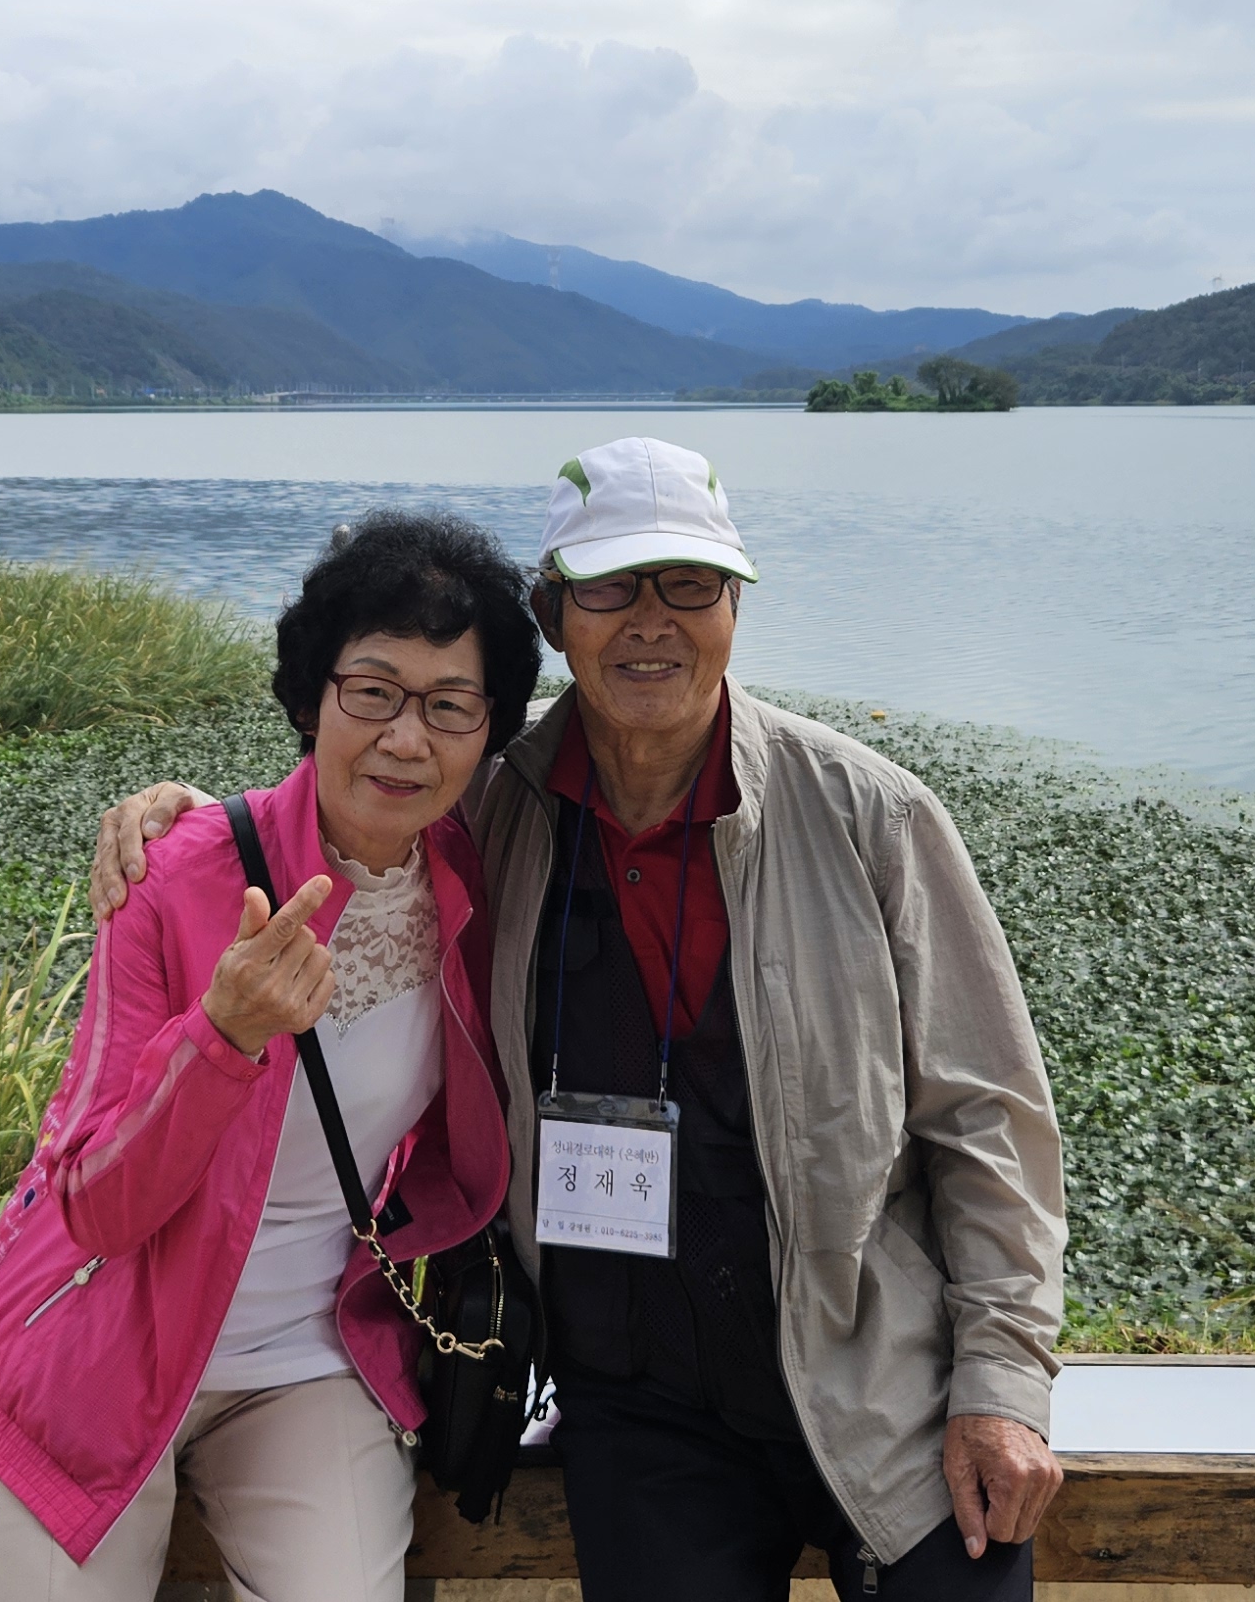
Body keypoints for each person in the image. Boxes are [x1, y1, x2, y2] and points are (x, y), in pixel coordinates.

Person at [90, 438, 1067, 1601]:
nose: (651, 620)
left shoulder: (873, 818)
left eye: (688, 582)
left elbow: (990, 1119)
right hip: (638, 1408)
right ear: (553, 615)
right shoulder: (491, 810)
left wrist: (1002, 1383)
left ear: (736, 606)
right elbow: (349, 801)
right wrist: (188, 824)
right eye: (609, 587)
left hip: (879, 1385)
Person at [0, 511, 542, 1600]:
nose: (407, 738)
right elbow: (96, 1205)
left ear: (488, 726)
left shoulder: (475, 872)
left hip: (306, 1359)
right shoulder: (174, 879)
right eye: (372, 691)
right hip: (94, 1340)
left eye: (450, 704)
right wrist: (220, 1037)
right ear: (312, 697)